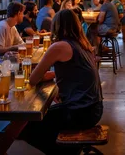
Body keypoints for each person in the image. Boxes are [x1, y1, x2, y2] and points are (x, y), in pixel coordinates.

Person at [20, 9, 103, 154]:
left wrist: (40, 75)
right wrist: (51, 76)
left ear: (57, 26)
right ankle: (68, 149)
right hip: (94, 108)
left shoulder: (59, 47)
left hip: (80, 111)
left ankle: (65, 152)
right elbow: (74, 72)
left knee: (24, 127)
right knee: (45, 121)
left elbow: (33, 79)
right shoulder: (84, 45)